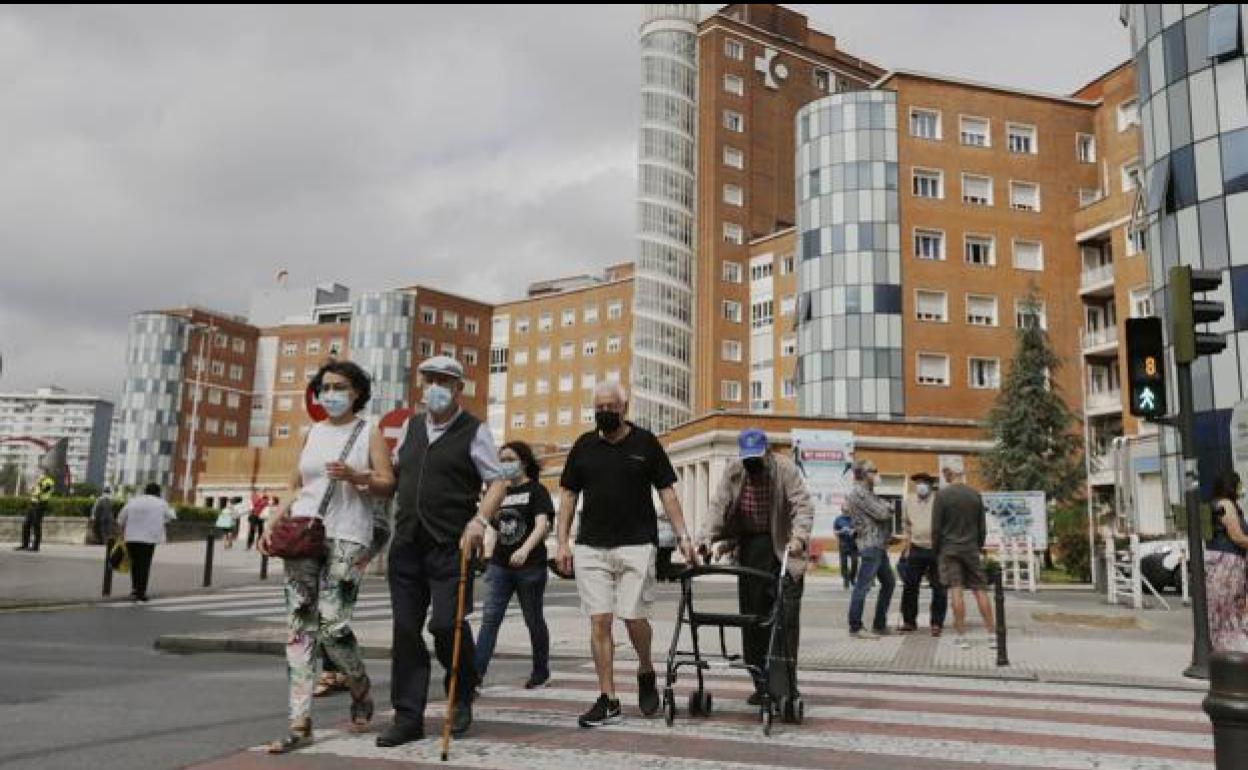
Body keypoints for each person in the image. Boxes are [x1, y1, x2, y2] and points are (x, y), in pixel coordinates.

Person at [260, 360, 396, 753]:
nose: (331, 394)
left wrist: (355, 476)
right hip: (304, 534)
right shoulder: (313, 432)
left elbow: (388, 484)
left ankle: (359, 684)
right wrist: (272, 520)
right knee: (300, 628)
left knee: (333, 626)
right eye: (325, 387)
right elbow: (295, 485)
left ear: (357, 393)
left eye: (340, 387)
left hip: (349, 535)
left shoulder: (369, 431)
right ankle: (299, 723)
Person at [376, 355, 507, 748]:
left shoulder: (475, 430)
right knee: (405, 630)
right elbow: (395, 476)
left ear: (458, 388)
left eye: (444, 381)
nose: (435, 387)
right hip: (407, 545)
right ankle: (408, 717)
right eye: (429, 379)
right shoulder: (411, 427)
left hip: (451, 546)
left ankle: (462, 688)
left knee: (446, 625)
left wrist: (479, 521)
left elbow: (497, 483)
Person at [555, 381, 697, 728]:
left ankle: (645, 669)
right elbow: (568, 496)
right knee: (599, 620)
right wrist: (562, 542)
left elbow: (667, 493)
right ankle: (608, 698)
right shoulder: (583, 446)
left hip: (637, 543)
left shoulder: (646, 443)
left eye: (611, 407)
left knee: (634, 618)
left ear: (625, 408)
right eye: (599, 407)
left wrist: (683, 536)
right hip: (591, 546)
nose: (604, 412)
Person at [701, 429, 812, 706]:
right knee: (753, 621)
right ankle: (761, 683)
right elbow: (718, 505)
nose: (752, 464)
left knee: (784, 621)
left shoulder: (785, 470)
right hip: (751, 549)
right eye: (747, 459)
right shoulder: (734, 471)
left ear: (768, 453)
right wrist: (706, 538)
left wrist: (799, 538)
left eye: (757, 459)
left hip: (783, 549)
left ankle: (784, 687)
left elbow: (802, 506)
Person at [474, 440, 553, 689]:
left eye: (510, 460)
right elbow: (493, 526)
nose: (505, 465)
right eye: (501, 460)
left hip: (530, 566)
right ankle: (475, 676)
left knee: (533, 620)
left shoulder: (536, 491)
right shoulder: (499, 492)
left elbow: (542, 525)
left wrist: (524, 549)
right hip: (500, 565)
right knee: (490, 619)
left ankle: (540, 671)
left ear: (524, 462)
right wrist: (486, 551)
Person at [932, 464, 995, 648]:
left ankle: (962, 636)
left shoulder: (942, 496)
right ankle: (992, 634)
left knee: (956, 590)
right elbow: (982, 527)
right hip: (971, 548)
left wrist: (936, 550)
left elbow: (936, 528)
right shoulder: (975, 495)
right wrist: (978, 546)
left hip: (949, 549)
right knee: (980, 590)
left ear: (949, 475)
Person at [845, 459, 896, 638]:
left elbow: (882, 510)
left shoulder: (869, 493)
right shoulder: (860, 493)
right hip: (870, 545)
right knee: (862, 586)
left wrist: (886, 506)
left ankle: (879, 625)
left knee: (889, 583)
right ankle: (855, 627)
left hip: (878, 545)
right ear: (863, 474)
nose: (876, 474)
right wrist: (889, 506)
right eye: (873, 470)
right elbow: (882, 513)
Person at [898, 472, 947, 636]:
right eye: (918, 483)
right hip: (916, 548)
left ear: (931, 486)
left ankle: (937, 623)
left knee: (939, 587)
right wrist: (906, 546)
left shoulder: (939, 501)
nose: (920, 486)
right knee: (910, 586)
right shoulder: (909, 501)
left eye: (924, 483)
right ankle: (909, 621)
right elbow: (906, 525)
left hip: (937, 549)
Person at [1205, 472, 1248, 652]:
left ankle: (1221, 647)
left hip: (1221, 562)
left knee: (1223, 608)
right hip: (1227, 564)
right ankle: (1228, 649)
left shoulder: (1217, 504)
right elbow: (1237, 536)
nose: (1241, 488)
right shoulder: (1226, 505)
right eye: (1239, 485)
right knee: (1228, 607)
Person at [116, 482, 177, 601]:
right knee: (144, 565)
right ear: (158, 493)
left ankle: (135, 589)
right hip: (148, 539)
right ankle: (141, 592)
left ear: (145, 491)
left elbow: (121, 518)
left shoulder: (133, 501)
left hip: (131, 538)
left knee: (134, 565)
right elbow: (171, 516)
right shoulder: (161, 503)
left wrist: (123, 532)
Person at [16, 470, 55, 552]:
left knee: (36, 525)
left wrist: (38, 484)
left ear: (45, 474)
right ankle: (25, 544)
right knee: (26, 524)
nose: (38, 474)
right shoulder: (38, 481)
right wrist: (33, 488)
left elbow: (44, 490)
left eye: (40, 473)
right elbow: (32, 491)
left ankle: (35, 546)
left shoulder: (49, 481)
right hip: (33, 504)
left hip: (40, 504)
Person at [833, 511, 858, 589]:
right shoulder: (838, 519)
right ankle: (845, 579)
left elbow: (860, 528)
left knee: (855, 562)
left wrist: (853, 531)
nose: (847, 512)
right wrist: (841, 531)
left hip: (853, 544)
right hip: (843, 543)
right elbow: (835, 532)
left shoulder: (855, 518)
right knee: (844, 563)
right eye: (845, 510)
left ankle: (852, 577)